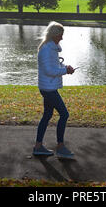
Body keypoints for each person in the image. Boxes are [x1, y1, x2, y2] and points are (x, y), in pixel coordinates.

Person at [33, 21, 75, 159]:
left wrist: (64, 66)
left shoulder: (51, 48)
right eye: (60, 35)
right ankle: (60, 147)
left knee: (47, 115)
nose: (62, 38)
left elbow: (52, 66)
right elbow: (49, 70)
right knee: (64, 114)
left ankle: (38, 147)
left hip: (48, 87)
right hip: (48, 88)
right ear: (54, 35)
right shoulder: (47, 49)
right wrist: (65, 71)